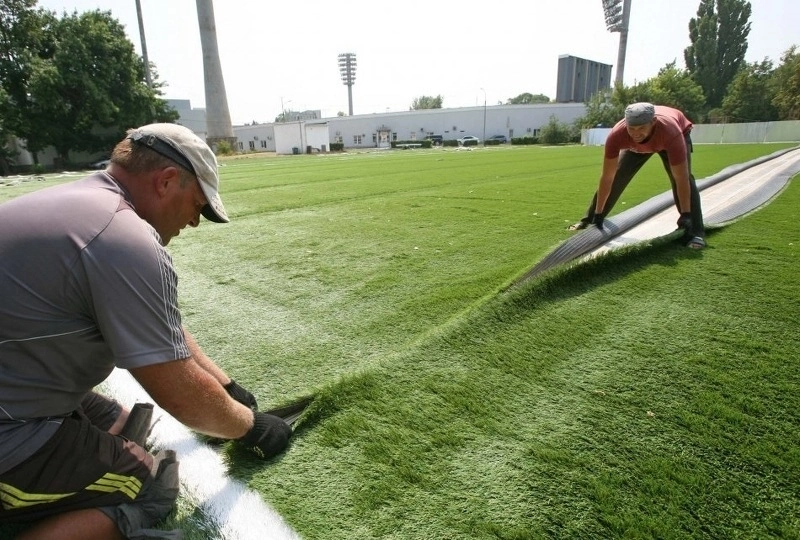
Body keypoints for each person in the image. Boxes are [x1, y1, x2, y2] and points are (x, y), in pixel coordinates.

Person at [0, 123, 293, 539]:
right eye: (197, 206)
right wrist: (250, 425)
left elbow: (159, 324)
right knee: (150, 486)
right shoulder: (123, 239)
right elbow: (181, 396)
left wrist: (224, 384)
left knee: (126, 426)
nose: (194, 222)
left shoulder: (78, 204)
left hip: (12, 381)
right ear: (167, 181)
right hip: (9, 428)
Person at [569, 102, 706, 249]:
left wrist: (686, 214)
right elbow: (608, 177)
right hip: (637, 146)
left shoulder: (671, 133)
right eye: (631, 128)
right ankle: (589, 220)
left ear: (653, 122)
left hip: (669, 138)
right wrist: (598, 214)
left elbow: (681, 179)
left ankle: (695, 232)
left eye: (641, 128)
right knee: (617, 176)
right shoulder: (618, 135)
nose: (636, 133)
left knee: (681, 176)